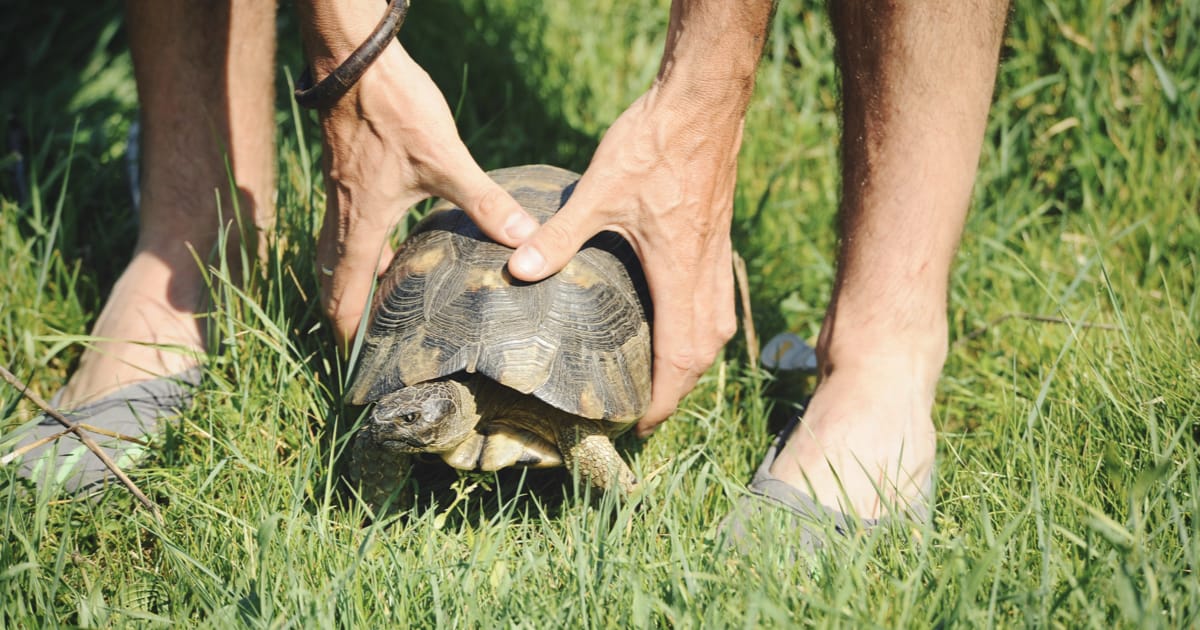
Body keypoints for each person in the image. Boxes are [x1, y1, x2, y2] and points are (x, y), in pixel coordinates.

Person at [10, 0, 1008, 535]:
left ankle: (886, 346)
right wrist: (345, 50)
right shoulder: (419, 415)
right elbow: (400, 422)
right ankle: (190, 237)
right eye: (405, 419)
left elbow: (586, 446)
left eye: (402, 421)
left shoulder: (548, 426)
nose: (402, 421)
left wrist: (709, 101)